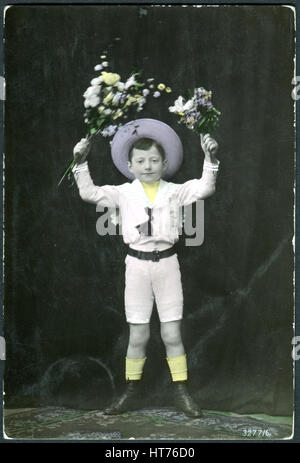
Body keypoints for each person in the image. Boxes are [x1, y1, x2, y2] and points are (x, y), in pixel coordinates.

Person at [72, 118, 219, 418]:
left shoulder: (175, 191)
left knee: (171, 333)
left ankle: (181, 391)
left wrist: (210, 158)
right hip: (136, 267)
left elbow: (205, 189)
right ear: (130, 164)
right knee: (137, 335)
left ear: (165, 163)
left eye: (154, 160)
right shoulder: (124, 193)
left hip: (167, 265)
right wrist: (79, 163)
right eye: (141, 161)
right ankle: (131, 392)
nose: (148, 166)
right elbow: (89, 194)